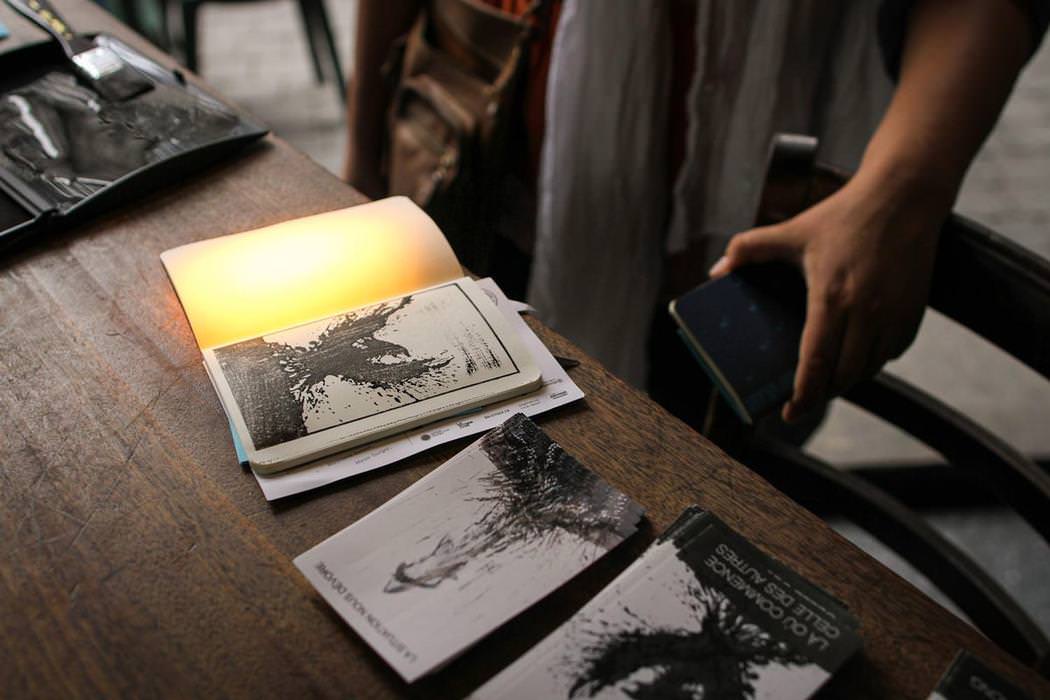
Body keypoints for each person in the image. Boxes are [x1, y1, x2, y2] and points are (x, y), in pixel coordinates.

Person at [345, 0, 1048, 425]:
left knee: (747, 488)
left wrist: (899, 193)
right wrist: (362, 155)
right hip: (502, 173)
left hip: (773, 220)